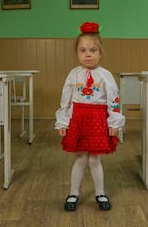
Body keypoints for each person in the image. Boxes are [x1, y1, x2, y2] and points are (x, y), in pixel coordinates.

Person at [55, 22, 125, 212]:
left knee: (94, 159)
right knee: (80, 158)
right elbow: (66, 99)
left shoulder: (105, 75)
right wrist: (63, 121)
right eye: (83, 50)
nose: (88, 54)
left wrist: (114, 122)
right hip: (78, 119)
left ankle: (100, 193)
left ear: (100, 53)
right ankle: (74, 193)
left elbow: (114, 99)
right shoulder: (74, 74)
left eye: (93, 50)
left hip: (97, 120)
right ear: (77, 53)